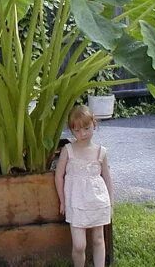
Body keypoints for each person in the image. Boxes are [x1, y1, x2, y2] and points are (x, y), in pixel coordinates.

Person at [54, 105, 114, 267]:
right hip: (76, 202)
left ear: (94, 124)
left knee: (98, 239)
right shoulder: (68, 150)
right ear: (72, 131)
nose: (83, 134)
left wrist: (111, 202)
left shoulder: (101, 152)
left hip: (98, 201)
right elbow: (59, 176)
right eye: (77, 130)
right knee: (79, 244)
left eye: (87, 128)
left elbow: (107, 178)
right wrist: (62, 200)